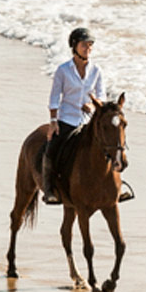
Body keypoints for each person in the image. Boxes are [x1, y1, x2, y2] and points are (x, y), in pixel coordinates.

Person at [42, 27, 104, 204]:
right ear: (74, 46)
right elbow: (54, 97)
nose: (88, 48)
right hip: (67, 119)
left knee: (110, 146)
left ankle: (115, 186)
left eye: (90, 45)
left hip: (88, 121)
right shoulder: (63, 70)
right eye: (84, 45)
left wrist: (92, 105)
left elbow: (102, 95)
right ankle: (49, 189)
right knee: (51, 149)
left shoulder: (96, 71)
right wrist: (53, 122)